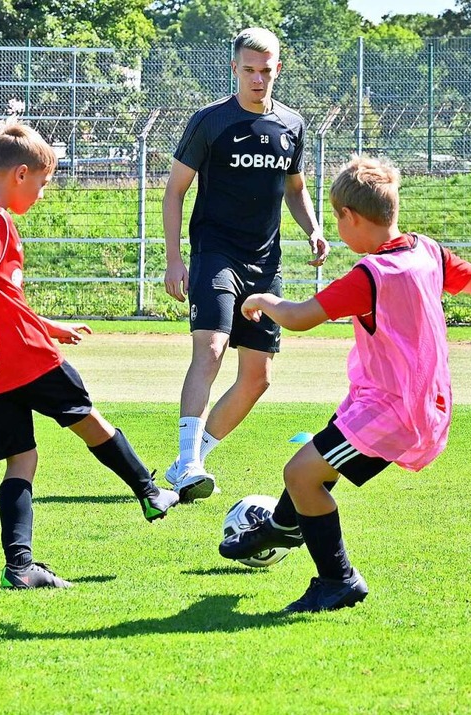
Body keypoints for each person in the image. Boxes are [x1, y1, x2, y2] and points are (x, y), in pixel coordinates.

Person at [219, 154, 471, 613]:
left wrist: (262, 299)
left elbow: (298, 318)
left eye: (337, 219)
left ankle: (338, 580)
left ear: (350, 217)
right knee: (316, 464)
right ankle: (285, 523)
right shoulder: (427, 251)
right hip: (399, 403)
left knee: (301, 474)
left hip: (393, 412)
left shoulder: (369, 276)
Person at [0, 119, 179, 589]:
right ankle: (150, 493)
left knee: (21, 460)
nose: (42, 194)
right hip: (24, 359)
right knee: (88, 419)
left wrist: (48, 326)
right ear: (20, 174)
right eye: (43, 183)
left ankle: (20, 568)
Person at [162, 27, 330, 503]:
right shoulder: (210, 122)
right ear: (234, 68)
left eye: (266, 70)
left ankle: (188, 462)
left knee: (257, 377)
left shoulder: (293, 125)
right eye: (249, 70)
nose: (258, 79)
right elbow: (174, 191)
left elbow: (294, 188)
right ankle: (189, 460)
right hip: (215, 255)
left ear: (279, 68)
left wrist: (313, 228)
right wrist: (175, 259)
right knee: (211, 350)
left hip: (265, 264)